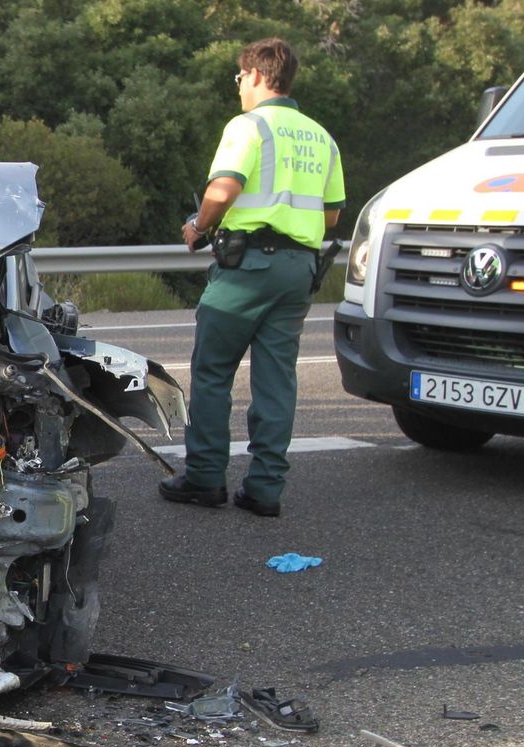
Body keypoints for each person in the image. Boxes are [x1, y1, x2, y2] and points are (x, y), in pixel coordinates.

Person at [158, 37, 344, 518]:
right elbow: (332, 217)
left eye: (240, 77)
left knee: (215, 370)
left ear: (259, 76)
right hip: (298, 268)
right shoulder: (321, 136)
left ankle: (204, 478)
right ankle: (264, 490)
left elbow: (223, 188)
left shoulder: (250, 125)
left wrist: (199, 226)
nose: (239, 85)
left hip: (248, 265)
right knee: (276, 380)